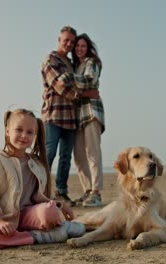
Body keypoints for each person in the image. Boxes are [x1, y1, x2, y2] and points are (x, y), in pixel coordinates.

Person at [0, 108, 85, 250]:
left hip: (31, 215)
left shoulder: (37, 164)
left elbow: (43, 196)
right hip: (5, 219)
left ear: (34, 135)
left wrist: (61, 205)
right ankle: (37, 237)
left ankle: (60, 227)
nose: (24, 135)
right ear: (7, 131)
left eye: (29, 132)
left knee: (50, 211)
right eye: (19, 130)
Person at [40, 26, 98, 206]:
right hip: (54, 115)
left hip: (71, 118)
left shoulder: (72, 64)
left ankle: (61, 192)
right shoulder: (51, 59)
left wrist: (80, 88)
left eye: (72, 42)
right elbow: (59, 85)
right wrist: (82, 94)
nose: (69, 44)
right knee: (48, 154)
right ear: (59, 39)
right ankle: (39, 191)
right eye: (66, 40)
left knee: (65, 157)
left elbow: (80, 82)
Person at [71, 34, 105, 207]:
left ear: (88, 47)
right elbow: (82, 87)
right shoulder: (76, 67)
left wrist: (69, 80)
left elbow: (89, 80)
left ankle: (96, 193)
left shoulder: (92, 62)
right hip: (78, 115)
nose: (79, 49)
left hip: (92, 111)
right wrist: (80, 91)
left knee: (93, 153)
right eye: (77, 46)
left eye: (83, 46)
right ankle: (87, 190)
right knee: (78, 156)